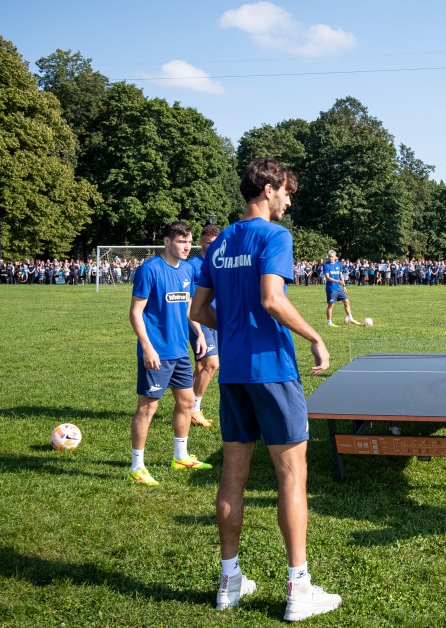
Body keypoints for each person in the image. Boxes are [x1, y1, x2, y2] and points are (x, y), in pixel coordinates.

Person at [190, 158, 341, 621]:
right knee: (292, 475)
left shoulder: (218, 245)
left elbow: (198, 309)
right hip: (272, 370)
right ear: (269, 188)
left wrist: (234, 329)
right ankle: (299, 589)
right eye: (287, 192)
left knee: (233, 473)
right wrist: (315, 337)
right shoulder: (275, 236)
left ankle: (229, 581)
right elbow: (273, 299)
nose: (289, 202)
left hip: (233, 372)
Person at [128, 220, 212, 486]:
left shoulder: (187, 269)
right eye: (181, 241)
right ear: (167, 242)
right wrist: (147, 346)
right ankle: (137, 466)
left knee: (187, 403)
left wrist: (198, 333)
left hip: (180, 352)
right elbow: (135, 313)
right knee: (148, 408)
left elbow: (188, 304)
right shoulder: (149, 270)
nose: (187, 247)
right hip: (157, 352)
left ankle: (180, 456)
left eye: (189, 242)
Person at [186, 224, 222, 428]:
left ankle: (186, 406)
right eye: (208, 243)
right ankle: (193, 410)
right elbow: (190, 301)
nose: (212, 246)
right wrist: (198, 331)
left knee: (201, 366)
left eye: (215, 243)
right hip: (200, 321)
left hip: (219, 320)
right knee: (211, 364)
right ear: (200, 242)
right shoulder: (192, 266)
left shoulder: (220, 263)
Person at [322, 250, 360, 326]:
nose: (330, 258)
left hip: (338, 288)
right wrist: (338, 281)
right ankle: (329, 322)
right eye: (329, 256)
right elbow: (327, 277)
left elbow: (341, 275)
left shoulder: (338, 264)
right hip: (331, 288)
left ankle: (350, 318)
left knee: (347, 302)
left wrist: (344, 286)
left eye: (332, 257)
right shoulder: (326, 265)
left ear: (335, 257)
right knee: (331, 305)